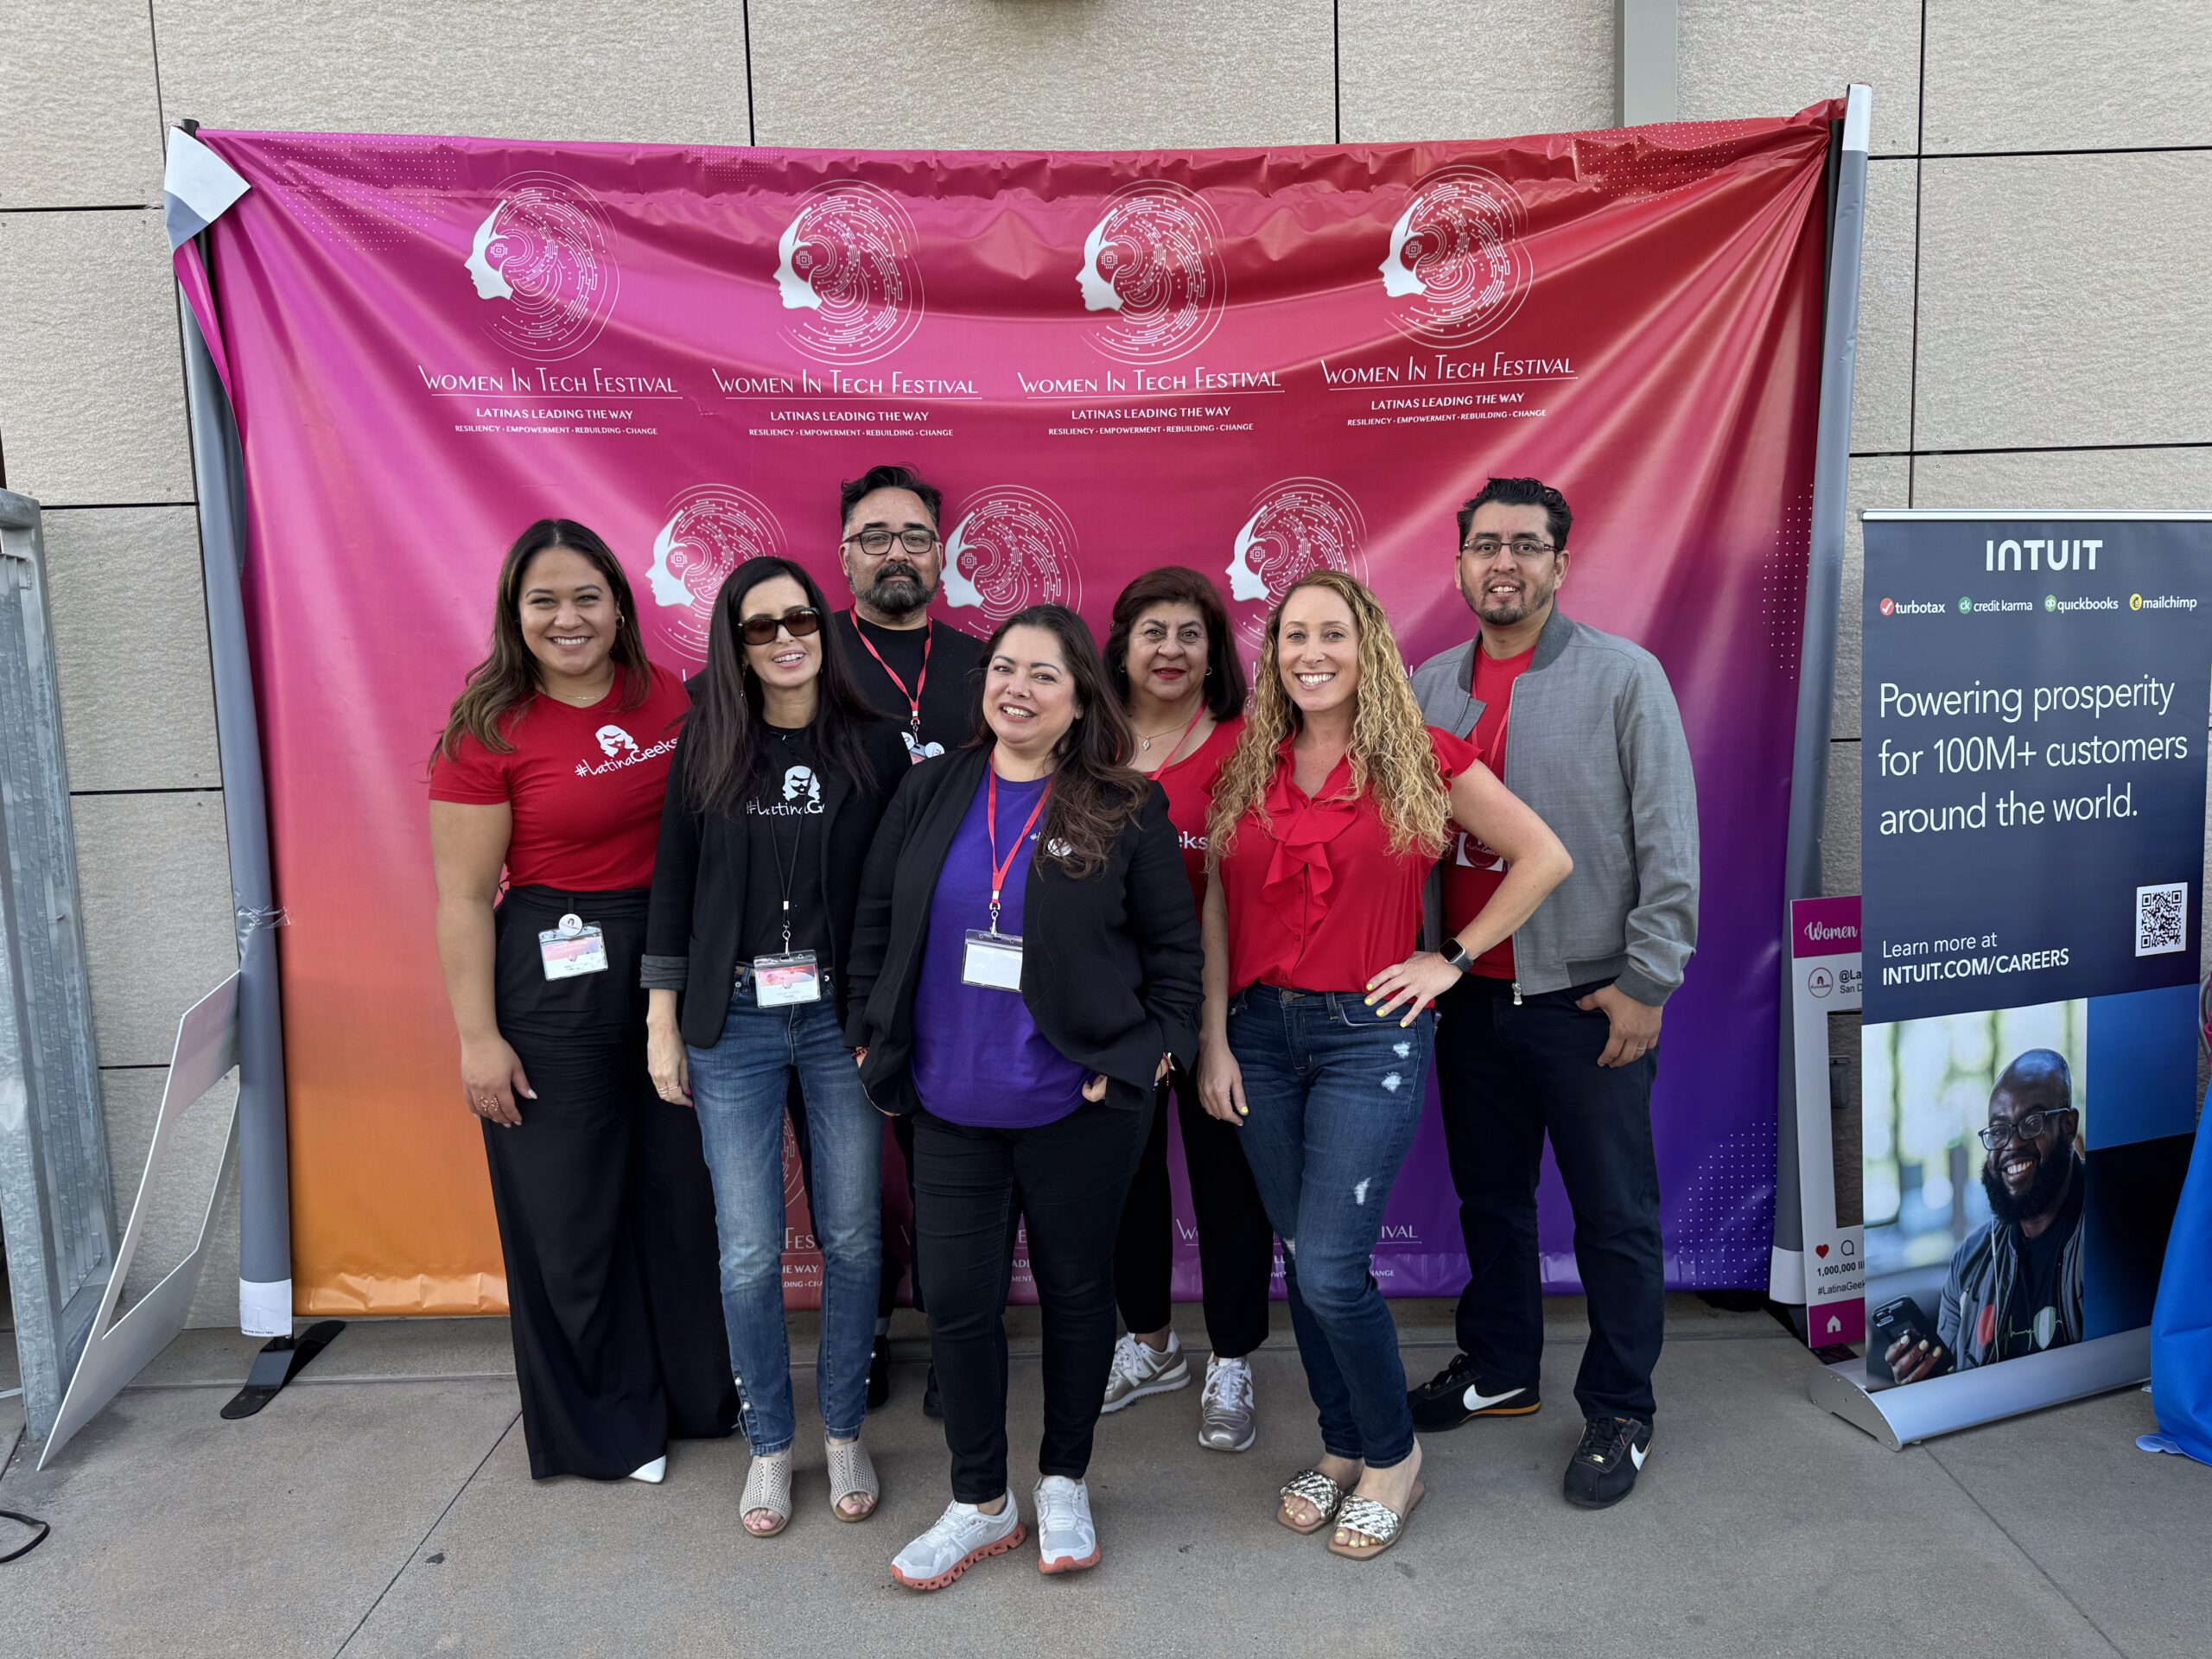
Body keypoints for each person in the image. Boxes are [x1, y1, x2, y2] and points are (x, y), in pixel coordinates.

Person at [1198, 570, 1570, 1560]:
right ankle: (1341, 1444)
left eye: (1331, 634)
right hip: (1259, 1037)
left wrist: (1446, 960)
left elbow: (1542, 857)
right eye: (1291, 637)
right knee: (1301, 1256)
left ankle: (1395, 1458)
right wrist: (1212, 1038)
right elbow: (1219, 909)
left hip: (1369, 1032)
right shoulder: (1245, 763)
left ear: (1367, 649)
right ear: (1271, 656)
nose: (1309, 653)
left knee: (1327, 1262)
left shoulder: (1420, 757)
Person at [845, 605, 1202, 1591]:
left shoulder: (1124, 804)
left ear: (1082, 695)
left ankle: (1062, 1480)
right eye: (1005, 668)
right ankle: (978, 1500)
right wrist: (869, 1036)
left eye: (1045, 674)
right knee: (956, 1302)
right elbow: (875, 920)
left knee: (1079, 1296)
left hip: (1078, 1105)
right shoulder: (931, 789)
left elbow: (1176, 958)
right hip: (948, 1103)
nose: (1018, 688)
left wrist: (1146, 1059)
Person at [1405, 475, 1700, 1511]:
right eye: (1485, 545)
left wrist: (1646, 982)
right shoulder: (1425, 686)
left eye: (1526, 546)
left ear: (1560, 565)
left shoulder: (1624, 678)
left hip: (1586, 1004)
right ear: (1459, 564)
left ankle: (1621, 1407)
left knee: (1615, 1215)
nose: (1504, 563)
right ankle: (1501, 1369)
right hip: (1470, 1001)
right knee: (1490, 1200)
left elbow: (1669, 842)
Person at [428, 518, 737, 1482]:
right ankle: (603, 1429)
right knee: (569, 1214)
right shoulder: (486, 729)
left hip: (673, 962)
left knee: (679, 1200)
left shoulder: (671, 699)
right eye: (544, 600)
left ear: (620, 604)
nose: (569, 618)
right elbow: (464, 900)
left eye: (587, 597)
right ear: (515, 615)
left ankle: (691, 1398)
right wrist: (478, 1039)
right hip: (553, 979)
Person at [642, 556, 910, 1535]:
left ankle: (841, 1428)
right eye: (761, 627)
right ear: (737, 645)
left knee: (850, 1235)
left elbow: (896, 900)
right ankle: (768, 1444)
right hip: (734, 1022)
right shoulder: (704, 747)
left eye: (801, 618)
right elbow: (672, 889)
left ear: (824, 628)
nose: (787, 637)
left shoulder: (877, 749)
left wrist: (886, 1021)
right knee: (751, 1251)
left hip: (841, 1020)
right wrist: (661, 1022)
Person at [1098, 568, 1274, 1452]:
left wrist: (1213, 1033)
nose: (1170, 649)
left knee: (1228, 1186)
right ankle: (1149, 1343)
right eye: (1153, 632)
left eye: (1190, 633)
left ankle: (1232, 1356)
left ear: (1214, 653)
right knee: (1126, 1184)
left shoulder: (1250, 745)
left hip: (1223, 1001)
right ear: (1122, 647)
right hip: (1112, 1009)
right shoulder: (1084, 742)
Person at [826, 463, 987, 1416]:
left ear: (941, 554)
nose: (897, 552)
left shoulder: (985, 665)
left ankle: (954, 1337)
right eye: (876, 536)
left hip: (967, 961)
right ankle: (866, 1333)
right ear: (844, 555)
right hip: (836, 954)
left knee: (951, 1168)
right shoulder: (806, 657)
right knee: (852, 1175)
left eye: (916, 537)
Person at [1888, 1051, 2086, 1384]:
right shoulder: (1968, 1263)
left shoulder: (2111, 1227)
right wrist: (1922, 1386)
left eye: (2032, 1123)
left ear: (2068, 1124)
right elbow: (1949, 1389)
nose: (2012, 1143)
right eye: (1998, 1130)